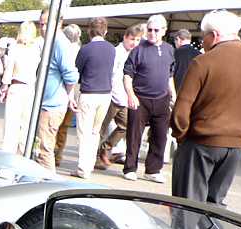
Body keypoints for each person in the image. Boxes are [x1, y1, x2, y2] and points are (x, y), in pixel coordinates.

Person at [171, 9, 241, 205]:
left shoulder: (203, 62)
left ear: (214, 35)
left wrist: (181, 135)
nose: (202, 42)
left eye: (204, 37)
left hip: (200, 142)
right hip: (236, 146)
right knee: (215, 205)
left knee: (187, 206)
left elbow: (182, 107)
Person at [122, 14, 175, 182]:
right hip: (140, 98)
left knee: (160, 136)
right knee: (134, 135)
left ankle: (153, 170)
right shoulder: (138, 50)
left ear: (164, 31)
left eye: (156, 30)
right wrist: (130, 95)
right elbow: (127, 75)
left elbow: (169, 75)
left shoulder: (169, 49)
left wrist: (173, 94)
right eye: (150, 30)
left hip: (162, 99)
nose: (152, 33)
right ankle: (130, 168)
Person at [34, 11, 78, 174]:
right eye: (41, 24)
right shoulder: (52, 42)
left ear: (59, 23)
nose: (43, 28)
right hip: (47, 103)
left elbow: (71, 74)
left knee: (45, 149)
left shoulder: (59, 43)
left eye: (46, 24)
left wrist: (68, 95)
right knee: (41, 148)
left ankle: (48, 188)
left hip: (52, 105)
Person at [71, 17, 115, 178]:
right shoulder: (112, 49)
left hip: (89, 93)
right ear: (105, 31)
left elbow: (77, 72)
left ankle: (83, 168)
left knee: (84, 132)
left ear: (90, 30)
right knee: (95, 132)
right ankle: (89, 164)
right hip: (105, 94)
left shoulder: (85, 49)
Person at [98, 24, 141, 169]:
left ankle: (105, 149)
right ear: (125, 37)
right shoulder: (116, 52)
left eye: (137, 40)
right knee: (101, 128)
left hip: (124, 98)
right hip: (111, 96)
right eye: (132, 39)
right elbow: (111, 76)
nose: (134, 43)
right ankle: (94, 157)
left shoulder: (135, 54)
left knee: (125, 126)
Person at [1, 20, 39, 154]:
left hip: (16, 87)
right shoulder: (36, 49)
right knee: (25, 127)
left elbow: (8, 70)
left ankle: (7, 157)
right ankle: (23, 155)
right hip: (30, 89)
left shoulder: (15, 48)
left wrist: (4, 87)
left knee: (11, 127)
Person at [53, 23, 82, 167]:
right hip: (73, 92)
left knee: (55, 126)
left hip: (60, 91)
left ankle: (53, 154)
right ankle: (57, 155)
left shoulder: (60, 47)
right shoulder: (78, 51)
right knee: (63, 127)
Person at [172, 28, 199, 94]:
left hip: (177, 91)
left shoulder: (174, 53)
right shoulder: (199, 55)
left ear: (178, 39)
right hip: (195, 92)